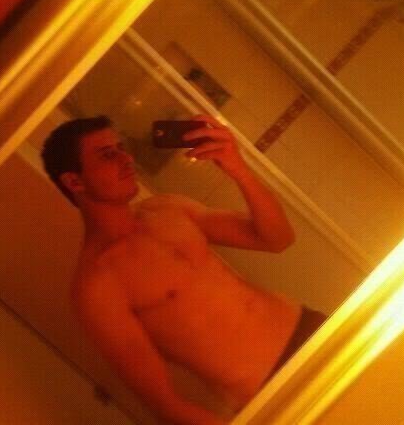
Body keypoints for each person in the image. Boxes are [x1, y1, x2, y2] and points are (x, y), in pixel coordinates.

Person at [41, 114, 326, 425]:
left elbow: (277, 239)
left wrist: (238, 169)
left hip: (315, 330)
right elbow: (166, 406)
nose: (126, 159)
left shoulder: (166, 209)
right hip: (276, 389)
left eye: (121, 148)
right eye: (108, 155)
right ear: (75, 182)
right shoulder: (97, 285)